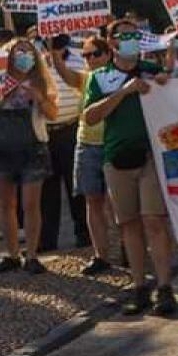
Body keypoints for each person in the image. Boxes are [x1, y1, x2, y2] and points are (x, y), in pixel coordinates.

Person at [83, 20, 176, 315]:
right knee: (129, 225)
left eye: (135, 35)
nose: (130, 41)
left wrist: (166, 83)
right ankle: (139, 286)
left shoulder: (150, 70)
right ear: (111, 43)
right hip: (116, 158)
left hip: (150, 156)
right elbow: (91, 116)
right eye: (124, 37)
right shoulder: (100, 77)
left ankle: (164, 286)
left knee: (155, 222)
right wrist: (123, 92)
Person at [50, 35, 115, 275]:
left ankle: (129, 250)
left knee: (116, 204)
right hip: (86, 145)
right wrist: (55, 51)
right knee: (92, 201)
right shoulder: (86, 79)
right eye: (85, 55)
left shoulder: (119, 78)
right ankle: (101, 255)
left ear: (108, 55)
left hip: (112, 144)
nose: (90, 59)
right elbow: (63, 71)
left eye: (95, 54)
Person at [0, 37, 58, 273]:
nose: (23, 56)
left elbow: (53, 114)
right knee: (6, 204)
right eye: (18, 51)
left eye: (27, 51)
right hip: (3, 149)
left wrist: (40, 98)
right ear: (9, 56)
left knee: (31, 204)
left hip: (33, 149)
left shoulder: (42, 81)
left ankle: (32, 255)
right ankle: (12, 254)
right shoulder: (2, 81)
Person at [40, 33, 90, 251]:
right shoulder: (37, 63)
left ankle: (84, 235)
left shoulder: (81, 58)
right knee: (46, 189)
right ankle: (47, 240)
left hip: (71, 128)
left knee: (75, 186)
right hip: (44, 132)